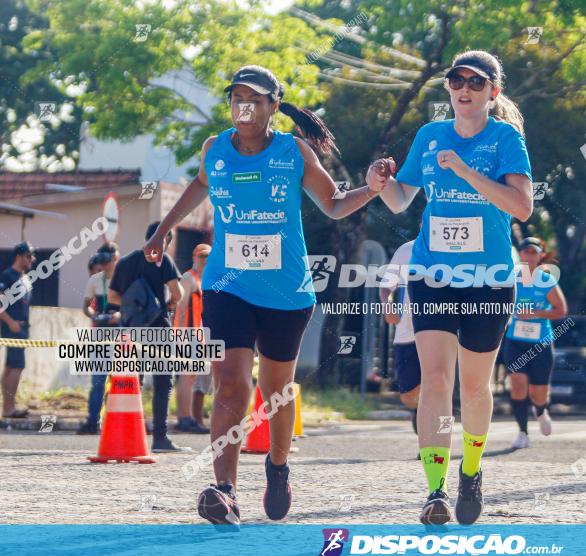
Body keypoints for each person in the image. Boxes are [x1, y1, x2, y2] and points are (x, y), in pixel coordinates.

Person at [144, 65, 383, 525]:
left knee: (275, 390)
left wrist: (371, 191)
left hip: (286, 292)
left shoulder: (293, 152)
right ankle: (225, 490)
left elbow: (333, 204)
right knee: (231, 380)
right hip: (226, 286)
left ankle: (277, 466)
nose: (243, 105)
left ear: (274, 105)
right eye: (236, 96)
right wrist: (162, 232)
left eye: (254, 97)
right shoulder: (214, 149)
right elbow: (200, 184)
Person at [370, 50, 533, 524]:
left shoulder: (507, 139)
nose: (464, 89)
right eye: (456, 81)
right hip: (431, 274)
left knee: (476, 388)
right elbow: (401, 201)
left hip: (488, 279)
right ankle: (436, 489)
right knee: (436, 381)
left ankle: (473, 471)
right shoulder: (429, 136)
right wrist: (380, 183)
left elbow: (521, 207)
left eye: (476, 83)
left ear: (493, 92)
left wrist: (464, 170)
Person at [109, 223, 186, 452]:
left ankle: (131, 435)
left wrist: (136, 303)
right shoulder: (163, 261)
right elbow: (177, 293)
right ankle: (160, 438)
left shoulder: (125, 262)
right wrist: (167, 303)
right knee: (163, 383)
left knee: (134, 382)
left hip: (131, 330)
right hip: (159, 330)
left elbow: (113, 296)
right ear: (166, 240)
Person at [504, 237, 567, 449]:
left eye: (534, 252)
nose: (529, 256)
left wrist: (536, 313)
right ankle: (522, 432)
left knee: (538, 394)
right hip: (515, 342)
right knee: (518, 386)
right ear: (520, 255)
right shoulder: (511, 279)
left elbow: (561, 310)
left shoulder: (547, 280)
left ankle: (540, 411)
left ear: (541, 256)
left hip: (541, 344)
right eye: (526, 252)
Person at [77, 242, 121, 435]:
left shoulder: (124, 278)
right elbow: (86, 306)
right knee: (97, 380)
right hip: (99, 334)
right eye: (100, 261)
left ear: (115, 259)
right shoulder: (95, 280)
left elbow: (130, 305)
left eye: (107, 261)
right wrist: (94, 314)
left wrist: (119, 316)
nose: (103, 265)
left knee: (120, 380)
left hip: (120, 334)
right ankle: (92, 420)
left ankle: (117, 421)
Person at [380, 238, 420, 435]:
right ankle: (423, 410)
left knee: (438, 386)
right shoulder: (407, 249)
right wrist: (388, 306)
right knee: (409, 396)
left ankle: (432, 448)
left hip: (443, 332)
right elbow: (386, 286)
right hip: (407, 333)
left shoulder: (455, 248)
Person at [173, 243, 212, 434]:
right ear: (194, 258)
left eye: (207, 257)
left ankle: (186, 417)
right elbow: (180, 308)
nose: (205, 260)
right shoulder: (189, 278)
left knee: (192, 377)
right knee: (187, 377)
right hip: (188, 335)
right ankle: (184, 418)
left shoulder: (207, 279)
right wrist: (179, 336)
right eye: (201, 256)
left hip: (198, 335)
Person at [0, 242, 35, 419]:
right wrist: (10, 321)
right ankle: (8, 408)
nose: (32, 259)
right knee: (16, 367)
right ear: (19, 256)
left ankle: (7, 407)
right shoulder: (7, 276)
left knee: (10, 367)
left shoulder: (25, 278)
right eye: (29, 256)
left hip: (22, 328)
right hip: (11, 328)